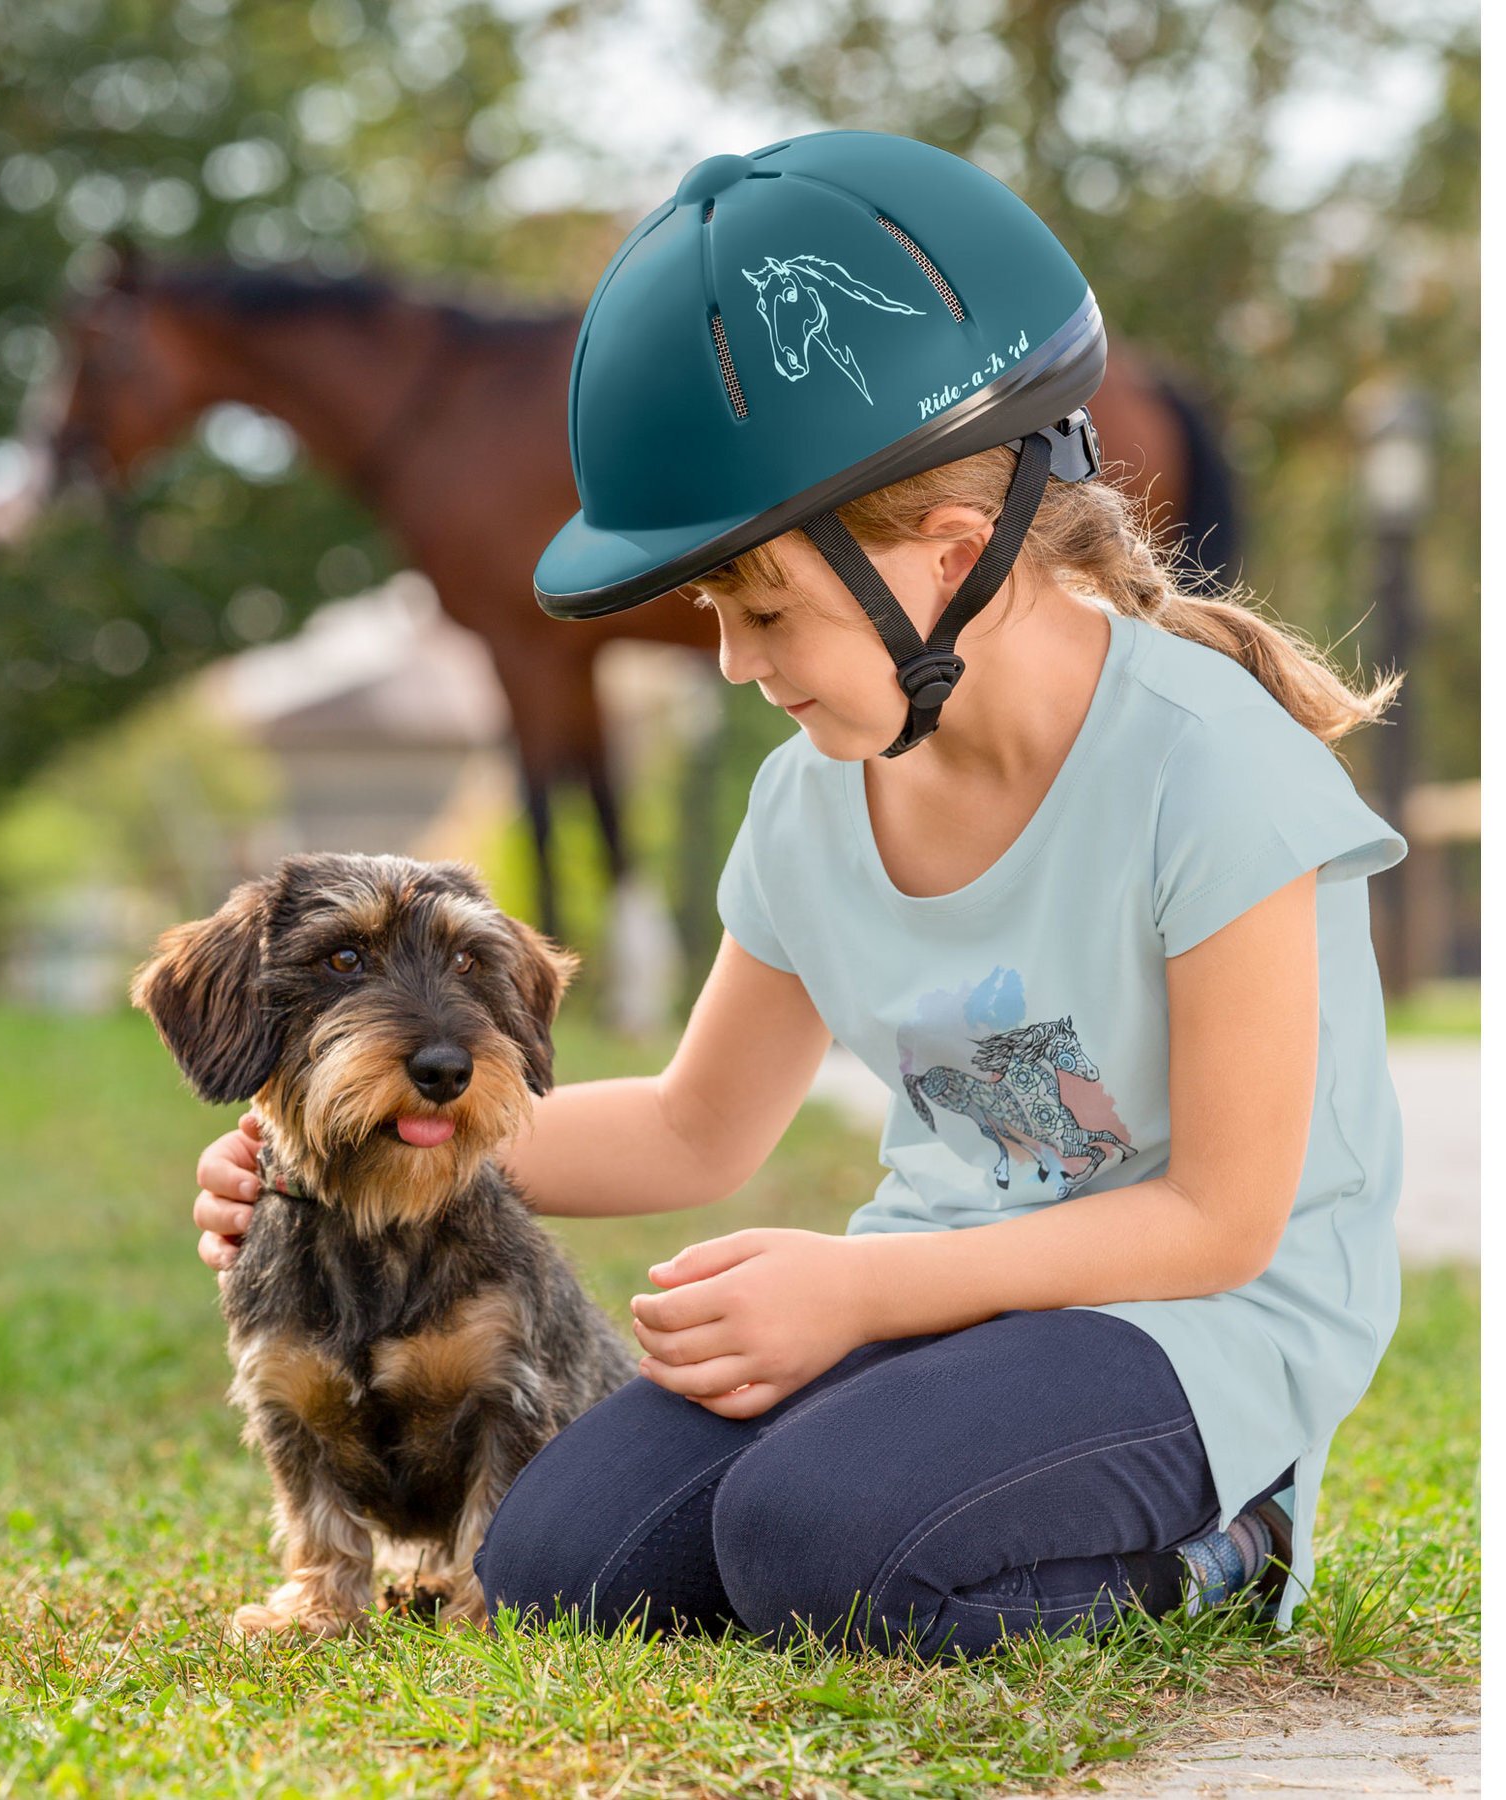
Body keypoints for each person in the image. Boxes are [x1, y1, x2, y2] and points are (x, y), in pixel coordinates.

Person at [191, 132, 1405, 1658]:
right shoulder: (814, 794)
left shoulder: (1206, 769)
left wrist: (859, 1289)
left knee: (815, 1545)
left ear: (946, 560)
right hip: (938, 1305)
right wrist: (349, 1136)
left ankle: (1230, 1541)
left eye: (764, 606)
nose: (732, 663)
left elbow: (1222, 1222)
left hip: (1198, 1324)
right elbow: (700, 1125)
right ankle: (913, 1483)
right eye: (713, 608)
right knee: (571, 1556)